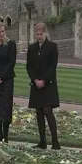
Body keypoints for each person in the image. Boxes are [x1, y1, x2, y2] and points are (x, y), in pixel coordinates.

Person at [26, 22, 61, 150]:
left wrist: (43, 80)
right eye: (37, 34)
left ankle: (55, 141)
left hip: (48, 84)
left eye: (41, 34)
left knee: (47, 110)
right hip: (36, 84)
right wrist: (35, 79)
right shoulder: (32, 48)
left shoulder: (52, 47)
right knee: (39, 112)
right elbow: (29, 66)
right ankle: (42, 141)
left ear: (45, 33)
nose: (39, 36)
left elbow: (53, 66)